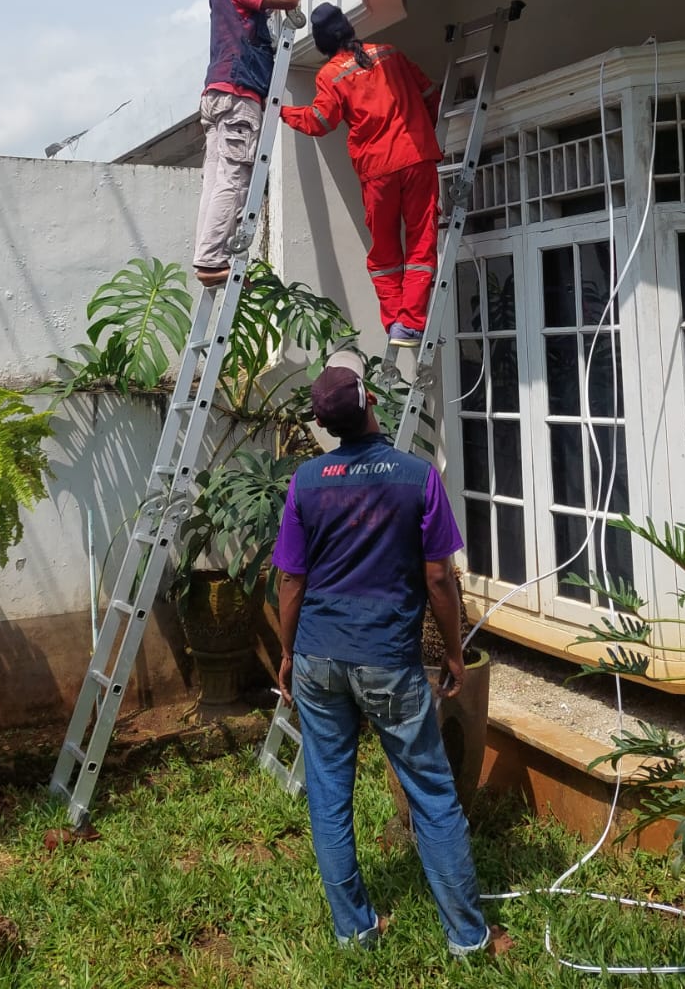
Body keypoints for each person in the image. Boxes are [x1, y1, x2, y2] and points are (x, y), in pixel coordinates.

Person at [272, 352, 510, 962]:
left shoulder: (304, 482)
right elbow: (439, 580)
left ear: (323, 427)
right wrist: (453, 652)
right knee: (431, 791)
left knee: (328, 790)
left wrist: (286, 652)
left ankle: (354, 930)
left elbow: (291, 583)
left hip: (319, 657)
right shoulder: (416, 476)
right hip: (388, 661)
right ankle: (467, 937)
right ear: (371, 402)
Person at [280, 5, 441, 344]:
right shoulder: (389, 53)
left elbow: (320, 122)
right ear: (349, 28)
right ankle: (411, 322)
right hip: (417, 158)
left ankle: (398, 321)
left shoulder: (330, 75)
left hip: (378, 170)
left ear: (322, 43)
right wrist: (424, 134)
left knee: (384, 252)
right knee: (421, 242)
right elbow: (430, 94)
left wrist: (284, 112)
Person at [194, 0, 313, 286]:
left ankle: (207, 257)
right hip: (237, 95)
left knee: (216, 182)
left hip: (218, 94)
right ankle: (213, 261)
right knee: (233, 180)